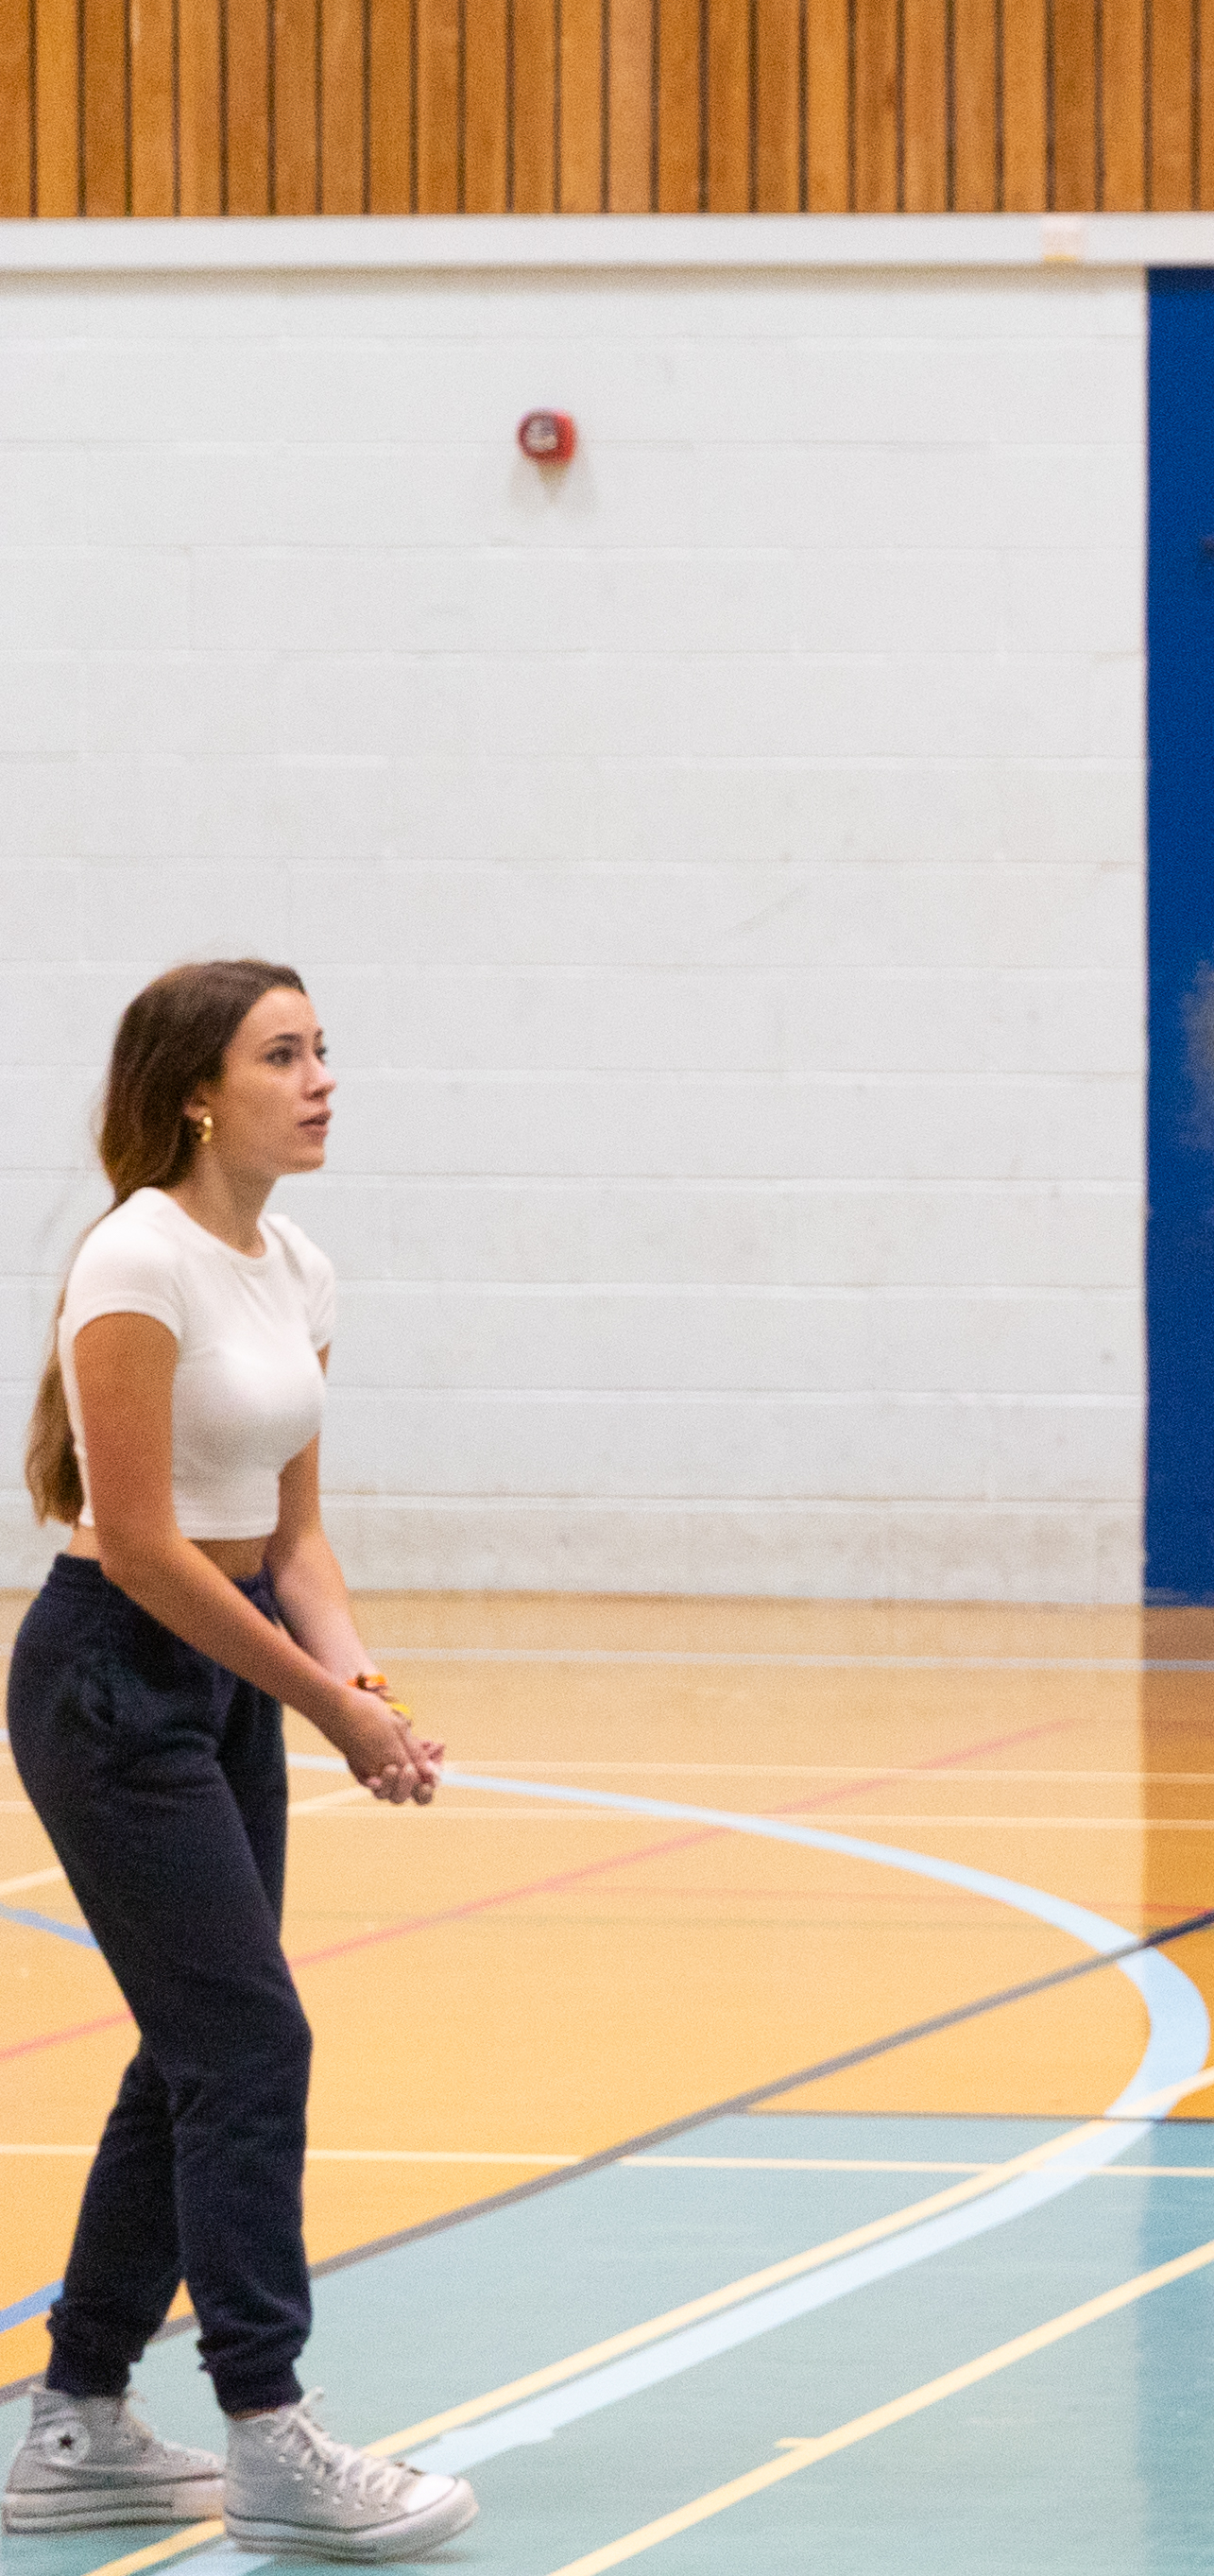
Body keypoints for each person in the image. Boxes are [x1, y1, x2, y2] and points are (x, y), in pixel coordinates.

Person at [4, 966, 473, 2566]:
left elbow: (294, 1532)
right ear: (200, 1091)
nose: (323, 1078)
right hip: (111, 1682)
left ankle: (74, 2417)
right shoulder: (136, 1260)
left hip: (223, 1679)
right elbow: (138, 1548)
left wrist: (358, 1684)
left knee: (195, 2044)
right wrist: (320, 1707)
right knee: (251, 2043)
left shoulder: (295, 1265)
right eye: (286, 1056)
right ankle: (268, 2431)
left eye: (325, 1049)